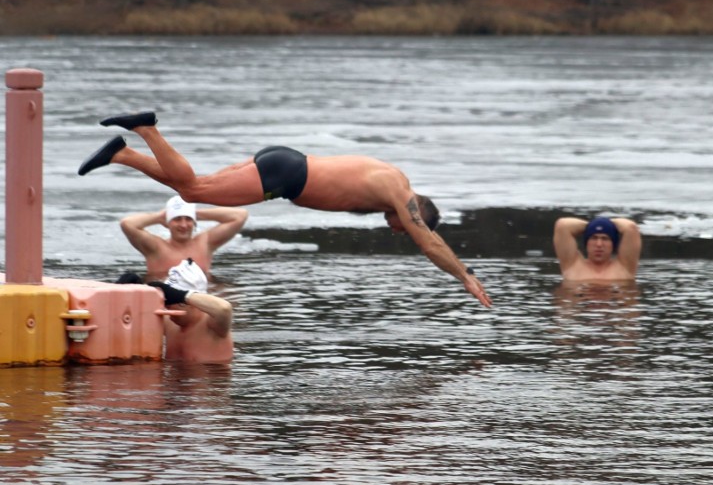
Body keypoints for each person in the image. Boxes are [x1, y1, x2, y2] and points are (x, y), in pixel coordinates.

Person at [78, 111, 491, 308]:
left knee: (188, 184)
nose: (396, 227)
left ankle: (123, 155)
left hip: (286, 163)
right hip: (286, 175)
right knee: (193, 189)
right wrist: (466, 276)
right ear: (416, 211)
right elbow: (431, 243)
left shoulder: (391, 177)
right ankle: (146, 128)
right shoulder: (398, 192)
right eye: (401, 226)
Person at [117, 259, 233, 363]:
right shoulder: (169, 323)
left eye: (169, 300)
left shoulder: (213, 326)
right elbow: (131, 320)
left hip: (212, 384)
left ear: (185, 302)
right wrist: (131, 292)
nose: (165, 306)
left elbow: (224, 308)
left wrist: (180, 295)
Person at [120, 194, 248, 280]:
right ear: (167, 223)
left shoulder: (205, 243)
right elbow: (127, 224)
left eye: (188, 219)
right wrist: (159, 217)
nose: (183, 225)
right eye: (177, 219)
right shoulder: (155, 248)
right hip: (166, 302)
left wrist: (195, 213)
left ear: (194, 222)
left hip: (200, 300)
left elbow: (240, 215)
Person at [553, 216, 642, 281]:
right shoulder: (572, 265)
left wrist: (606, 223)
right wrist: (592, 225)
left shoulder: (624, 267)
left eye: (605, 238)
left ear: (613, 244)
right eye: (594, 238)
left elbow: (631, 228)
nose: (599, 244)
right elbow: (562, 225)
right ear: (587, 243)